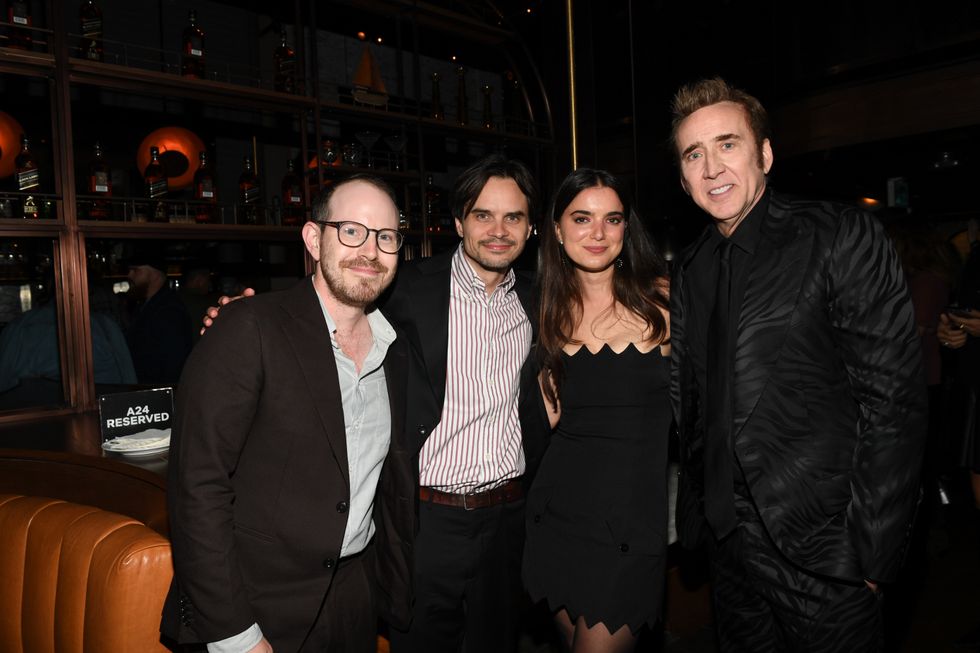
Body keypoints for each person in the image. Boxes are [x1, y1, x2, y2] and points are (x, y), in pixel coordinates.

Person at [668, 77, 927, 651]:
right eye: (694, 153)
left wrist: (870, 553)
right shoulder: (689, 269)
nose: (712, 167)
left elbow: (894, 403)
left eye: (728, 144)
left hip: (823, 549)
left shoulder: (838, 235)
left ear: (764, 153)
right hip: (725, 545)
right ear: (684, 179)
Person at [160, 175, 415, 653]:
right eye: (352, 230)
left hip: (354, 599)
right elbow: (197, 484)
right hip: (256, 608)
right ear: (314, 239)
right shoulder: (248, 326)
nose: (370, 250)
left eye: (386, 237)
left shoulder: (396, 349)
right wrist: (235, 634)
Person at [381, 154, 549, 653]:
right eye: (483, 215)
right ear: (458, 223)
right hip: (427, 522)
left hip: (508, 519)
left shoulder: (539, 300)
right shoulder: (407, 289)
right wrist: (241, 312)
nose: (499, 230)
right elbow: (330, 314)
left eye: (513, 217)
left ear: (530, 228)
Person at [523, 169, 671, 652]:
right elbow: (545, 421)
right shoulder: (544, 315)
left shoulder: (663, 306)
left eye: (612, 219)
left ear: (627, 230)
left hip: (630, 528)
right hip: (558, 517)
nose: (599, 233)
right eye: (582, 218)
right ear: (558, 231)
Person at [124, 249, 193, 385]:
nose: (129, 275)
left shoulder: (169, 310)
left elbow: (174, 363)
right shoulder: (145, 305)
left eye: (135, 270)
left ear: (155, 274)